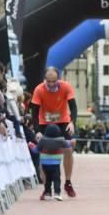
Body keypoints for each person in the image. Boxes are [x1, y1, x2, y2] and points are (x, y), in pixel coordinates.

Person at [31, 67, 78, 197]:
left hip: (62, 122)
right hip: (44, 123)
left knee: (68, 149)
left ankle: (68, 182)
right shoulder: (39, 90)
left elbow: (73, 107)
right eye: (48, 81)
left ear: (59, 79)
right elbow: (34, 113)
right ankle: (47, 188)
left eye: (54, 81)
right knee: (43, 152)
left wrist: (72, 122)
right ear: (44, 80)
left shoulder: (66, 87)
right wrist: (37, 131)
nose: (51, 84)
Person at [37, 123, 72, 201]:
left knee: (47, 179)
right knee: (57, 179)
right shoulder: (61, 140)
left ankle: (47, 192)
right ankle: (57, 193)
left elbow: (37, 149)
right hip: (55, 164)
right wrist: (71, 143)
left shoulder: (43, 140)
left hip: (45, 164)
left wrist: (30, 145)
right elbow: (68, 145)